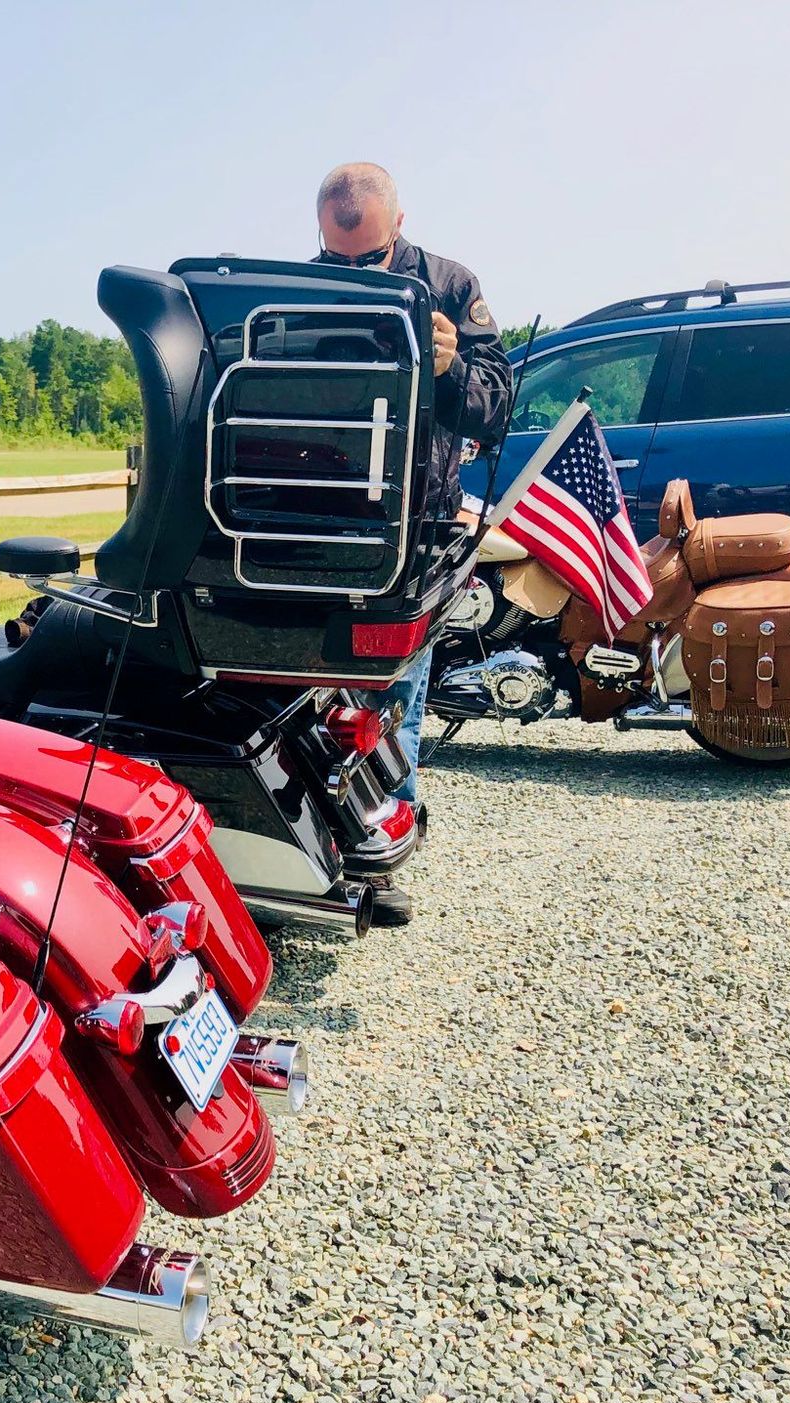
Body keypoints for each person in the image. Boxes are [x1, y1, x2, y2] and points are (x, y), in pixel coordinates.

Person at [313, 162, 510, 922]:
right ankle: (304, 847)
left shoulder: (452, 287)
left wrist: (452, 368)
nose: (355, 274)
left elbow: (496, 409)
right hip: (320, 516)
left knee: (394, 697)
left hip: (414, 524)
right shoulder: (303, 288)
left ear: (400, 224)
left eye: (370, 258)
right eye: (337, 260)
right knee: (308, 692)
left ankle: (380, 853)